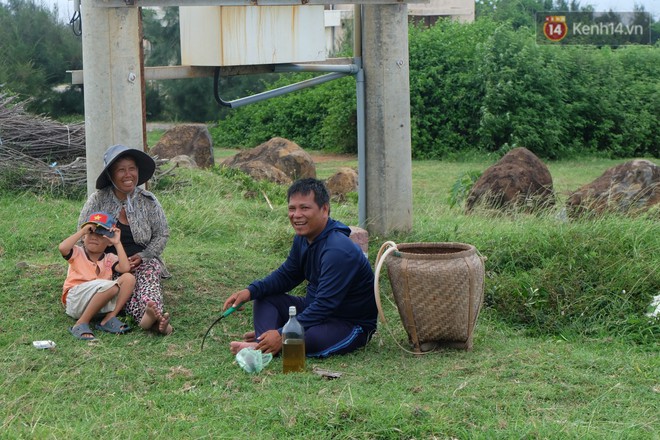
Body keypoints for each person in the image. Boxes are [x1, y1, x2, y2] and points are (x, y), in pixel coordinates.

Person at [223, 178, 377, 358]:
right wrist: (250, 291)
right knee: (264, 298)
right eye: (292, 208)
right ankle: (265, 343)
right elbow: (287, 275)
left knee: (311, 339)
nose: (296, 215)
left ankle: (263, 346)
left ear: (324, 209)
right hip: (312, 310)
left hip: (346, 323)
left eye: (304, 208)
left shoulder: (338, 250)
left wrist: (281, 333)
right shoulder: (303, 238)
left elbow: (325, 305)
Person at [78, 144, 172, 335]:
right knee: (122, 287)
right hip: (108, 264)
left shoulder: (148, 200)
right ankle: (150, 320)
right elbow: (82, 235)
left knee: (148, 275)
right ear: (111, 175)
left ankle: (150, 312)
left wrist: (144, 255)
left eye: (132, 169)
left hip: (141, 261)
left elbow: (162, 234)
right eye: (121, 170)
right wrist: (96, 263)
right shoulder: (97, 200)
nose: (128, 175)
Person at [61, 211, 135, 341]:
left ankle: (109, 318)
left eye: (101, 234)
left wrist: (117, 243)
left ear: (109, 241)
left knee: (129, 278)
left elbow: (125, 268)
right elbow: (62, 248)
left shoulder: (109, 258)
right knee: (111, 287)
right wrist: (82, 232)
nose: (94, 237)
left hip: (98, 304)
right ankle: (80, 323)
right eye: (91, 232)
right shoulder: (77, 252)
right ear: (84, 237)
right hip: (76, 300)